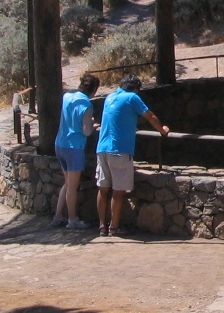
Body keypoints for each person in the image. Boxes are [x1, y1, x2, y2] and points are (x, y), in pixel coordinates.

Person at [96, 74, 169, 236]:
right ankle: (114, 228)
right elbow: (149, 115)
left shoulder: (110, 97)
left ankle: (102, 225)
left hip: (102, 148)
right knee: (118, 191)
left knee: (103, 188)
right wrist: (162, 130)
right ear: (135, 88)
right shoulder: (132, 97)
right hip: (119, 150)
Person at [52, 73, 100, 231]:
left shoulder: (67, 97)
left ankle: (58, 215)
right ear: (94, 89)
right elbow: (86, 131)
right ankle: (72, 219)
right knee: (72, 186)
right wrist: (93, 125)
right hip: (74, 147)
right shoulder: (86, 104)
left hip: (60, 143)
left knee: (66, 183)